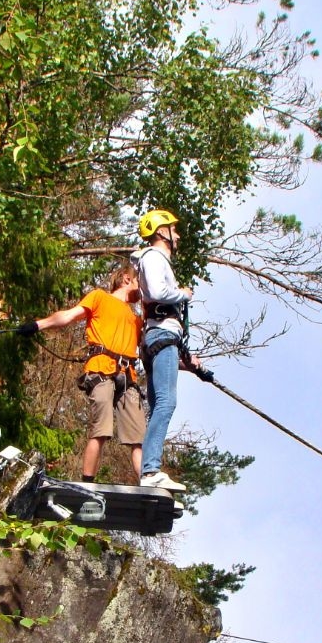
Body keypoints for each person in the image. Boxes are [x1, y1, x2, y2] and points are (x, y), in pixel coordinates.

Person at [17, 265, 145, 483]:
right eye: (139, 282)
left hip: (127, 376)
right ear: (126, 279)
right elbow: (67, 316)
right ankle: (88, 483)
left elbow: (152, 353)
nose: (143, 288)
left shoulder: (137, 320)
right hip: (101, 370)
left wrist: (190, 365)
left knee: (138, 437)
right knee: (101, 430)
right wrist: (38, 325)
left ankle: (148, 482)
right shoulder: (100, 298)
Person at [131, 209, 197, 492]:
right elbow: (158, 293)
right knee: (167, 403)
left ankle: (149, 470)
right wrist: (183, 293)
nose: (178, 234)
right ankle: (150, 471)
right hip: (162, 334)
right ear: (161, 232)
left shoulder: (149, 260)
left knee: (159, 404)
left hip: (157, 336)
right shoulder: (155, 258)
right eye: (173, 229)